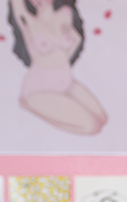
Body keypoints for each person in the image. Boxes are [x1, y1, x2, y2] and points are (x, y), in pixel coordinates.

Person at [8, 0, 107, 135]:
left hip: (66, 82)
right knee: (91, 127)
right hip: (38, 90)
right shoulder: (29, 22)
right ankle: (30, 106)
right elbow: (17, 6)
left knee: (103, 118)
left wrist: (71, 34)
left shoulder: (65, 14)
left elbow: (76, 40)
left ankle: (35, 107)